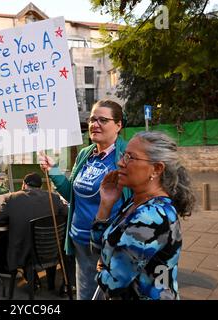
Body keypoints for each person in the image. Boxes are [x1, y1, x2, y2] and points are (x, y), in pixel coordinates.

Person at [39, 99, 132, 299]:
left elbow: (135, 202)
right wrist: (53, 170)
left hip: (108, 246)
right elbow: (71, 194)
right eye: (92, 119)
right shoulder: (85, 154)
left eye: (102, 120)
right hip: (80, 242)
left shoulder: (127, 157)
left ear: (118, 125)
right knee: (85, 294)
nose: (95, 124)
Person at [91, 131, 195, 300]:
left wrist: (103, 267)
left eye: (130, 158)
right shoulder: (135, 202)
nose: (120, 163)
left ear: (156, 169)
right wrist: (106, 204)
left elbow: (113, 284)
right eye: (124, 155)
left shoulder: (151, 217)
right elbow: (97, 246)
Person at [0, 172, 68, 291]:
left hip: (22, 253)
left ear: (24, 185)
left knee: (19, 241)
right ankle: (47, 284)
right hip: (50, 250)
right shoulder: (53, 197)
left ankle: (33, 281)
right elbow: (66, 213)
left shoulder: (12, 198)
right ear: (40, 186)